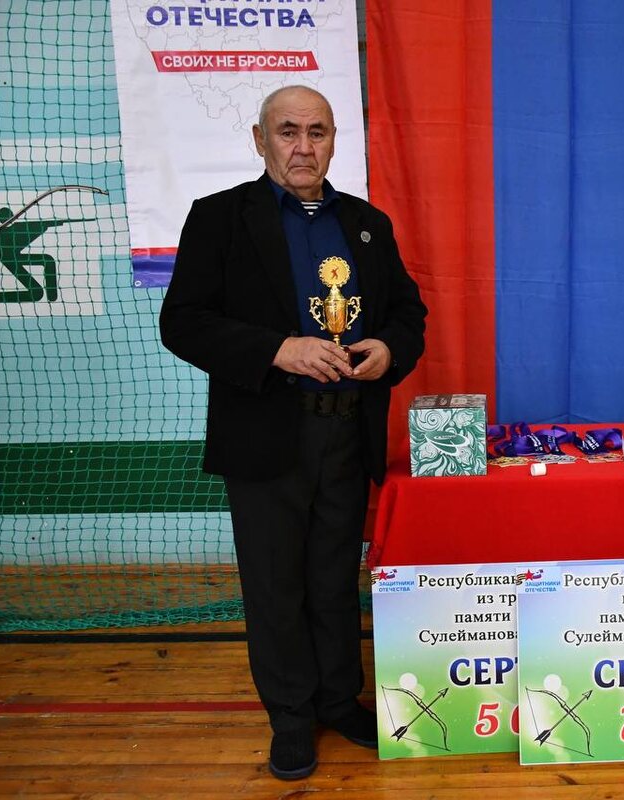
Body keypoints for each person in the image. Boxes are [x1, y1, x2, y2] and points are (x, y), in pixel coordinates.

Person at [159, 85, 427, 780]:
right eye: (288, 131)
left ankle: (338, 700)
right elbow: (182, 322)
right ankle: (290, 717)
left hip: (348, 434)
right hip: (267, 436)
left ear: (334, 141)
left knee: (334, 579)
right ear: (260, 140)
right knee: (276, 585)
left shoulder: (367, 223)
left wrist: (389, 350)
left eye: (317, 132)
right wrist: (278, 349)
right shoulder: (220, 218)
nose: (303, 146)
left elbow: (408, 314)